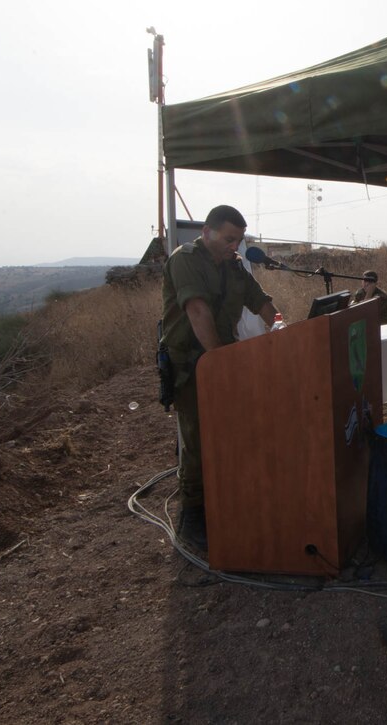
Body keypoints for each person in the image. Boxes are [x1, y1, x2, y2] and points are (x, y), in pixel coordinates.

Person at [160, 205, 280, 548]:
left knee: (230, 431)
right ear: (207, 232)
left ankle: (227, 498)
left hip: (226, 360)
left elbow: (262, 303)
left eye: (239, 240)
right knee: (197, 439)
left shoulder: (235, 266)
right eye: (229, 239)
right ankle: (193, 514)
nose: (234, 246)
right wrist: (219, 364)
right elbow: (197, 310)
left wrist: (286, 331)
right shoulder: (186, 260)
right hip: (192, 364)